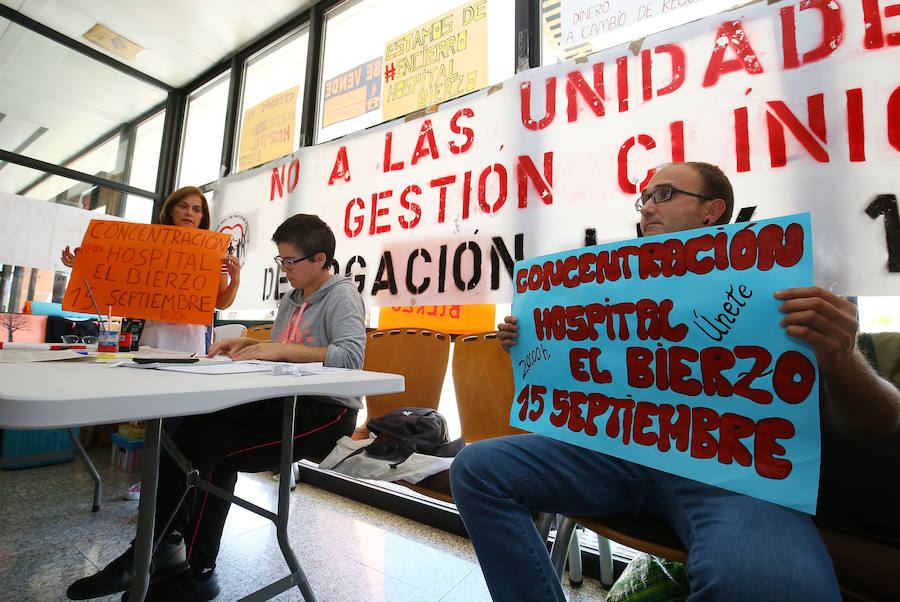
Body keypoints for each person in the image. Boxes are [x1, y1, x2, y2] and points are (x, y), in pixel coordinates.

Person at [449, 161, 900, 601]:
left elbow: (883, 422)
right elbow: (573, 378)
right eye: (643, 198)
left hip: (732, 471)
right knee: (476, 469)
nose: (646, 208)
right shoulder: (605, 286)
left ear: (712, 210)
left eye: (663, 195)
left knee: (774, 585)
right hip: (616, 451)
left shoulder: (787, 282)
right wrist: (531, 340)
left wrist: (843, 358)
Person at [66, 214, 366, 601]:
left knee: (212, 448)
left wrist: (277, 348)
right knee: (199, 430)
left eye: (290, 262)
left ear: (321, 259)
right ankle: (173, 554)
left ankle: (165, 557)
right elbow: (281, 362)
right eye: (281, 261)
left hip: (329, 413)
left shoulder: (341, 293)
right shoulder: (292, 299)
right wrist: (249, 348)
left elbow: (351, 358)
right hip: (288, 401)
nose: (284, 270)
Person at [62, 186, 242, 501]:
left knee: (184, 416)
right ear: (170, 211)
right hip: (154, 338)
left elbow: (221, 302)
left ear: (203, 216)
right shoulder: (146, 246)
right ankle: (157, 480)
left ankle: (174, 482)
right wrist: (82, 265)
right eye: (184, 206)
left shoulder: (210, 252)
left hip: (191, 343)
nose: (190, 213)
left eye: (197, 209)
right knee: (157, 413)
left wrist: (235, 279)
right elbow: (113, 280)